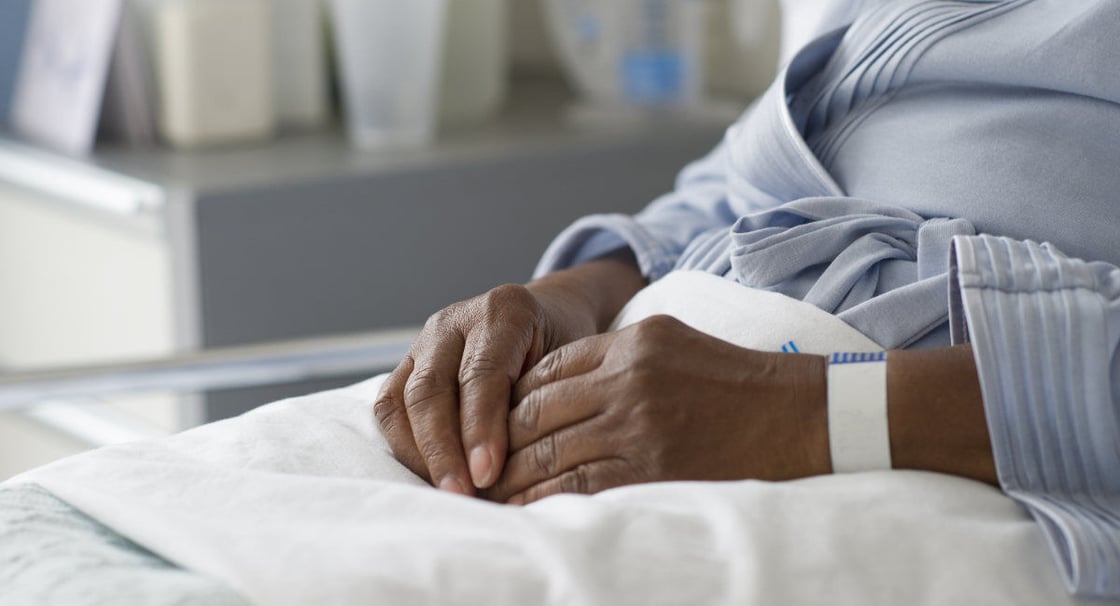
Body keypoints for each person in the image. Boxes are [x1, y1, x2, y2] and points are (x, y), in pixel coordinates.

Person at [373, 0, 1120, 597]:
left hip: (967, 444)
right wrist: (571, 294)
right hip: (648, 364)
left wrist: (817, 415)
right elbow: (758, 169)